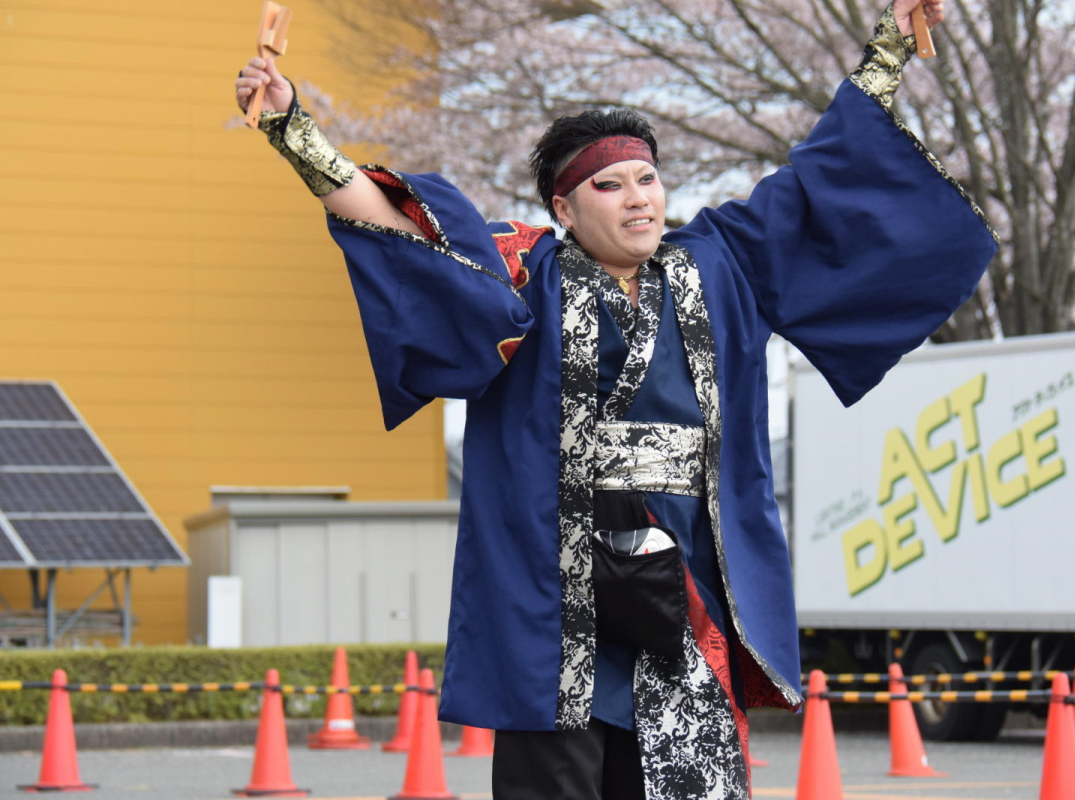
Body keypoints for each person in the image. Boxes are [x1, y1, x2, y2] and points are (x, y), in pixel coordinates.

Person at [235, 1, 995, 797]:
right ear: (563, 208)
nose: (639, 198)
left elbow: (823, 178)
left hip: (685, 580)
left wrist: (890, 51)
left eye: (648, 179)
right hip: (558, 588)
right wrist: (295, 129)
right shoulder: (526, 271)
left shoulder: (719, 262)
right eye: (609, 184)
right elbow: (401, 227)